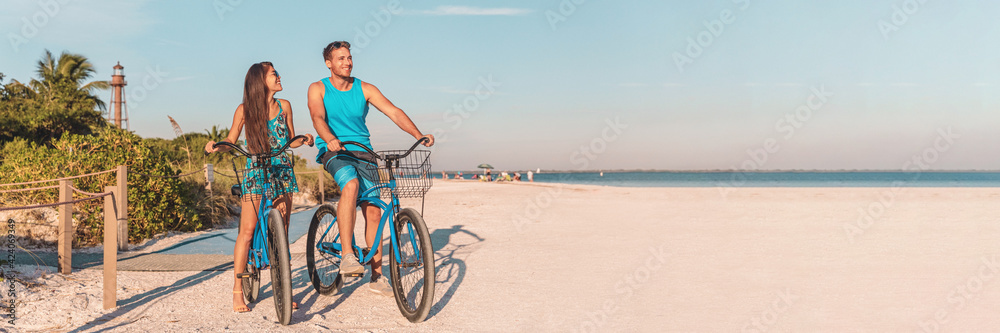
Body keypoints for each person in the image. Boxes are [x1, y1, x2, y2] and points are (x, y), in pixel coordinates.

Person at [308, 41, 434, 296]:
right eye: (341, 58)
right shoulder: (318, 88)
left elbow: (393, 111)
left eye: (350, 57)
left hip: (364, 151)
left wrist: (417, 135)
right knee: (351, 185)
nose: (347, 62)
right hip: (335, 150)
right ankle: (346, 255)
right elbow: (317, 117)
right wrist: (329, 137)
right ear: (329, 63)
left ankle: (377, 276)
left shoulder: (364, 88)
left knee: (374, 211)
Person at [205, 62, 313, 313]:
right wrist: (216, 145)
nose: (279, 76)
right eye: (274, 74)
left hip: (282, 171)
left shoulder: (284, 106)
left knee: (282, 232)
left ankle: (283, 288)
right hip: (256, 171)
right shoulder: (244, 110)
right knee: (247, 231)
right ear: (260, 80)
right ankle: (236, 291)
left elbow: (290, 141)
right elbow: (231, 141)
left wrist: (304, 139)